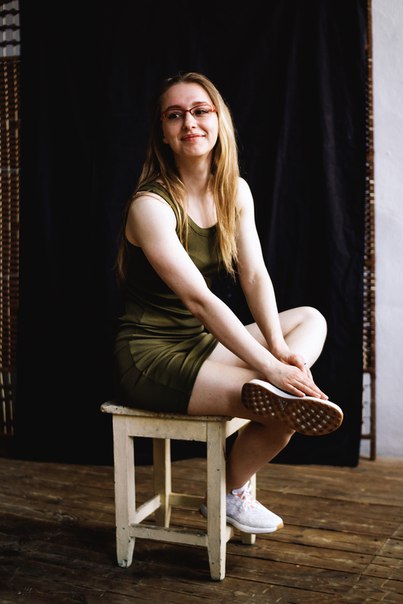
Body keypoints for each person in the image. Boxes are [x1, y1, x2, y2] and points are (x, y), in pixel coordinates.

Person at [114, 71, 343, 534]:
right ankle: (232, 493)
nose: (189, 123)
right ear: (163, 132)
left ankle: (224, 491)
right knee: (285, 407)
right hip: (149, 354)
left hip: (200, 343)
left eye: (200, 111)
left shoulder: (234, 191)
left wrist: (279, 352)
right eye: (175, 115)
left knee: (310, 320)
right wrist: (270, 369)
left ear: (219, 121)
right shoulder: (150, 206)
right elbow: (199, 300)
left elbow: (254, 275)